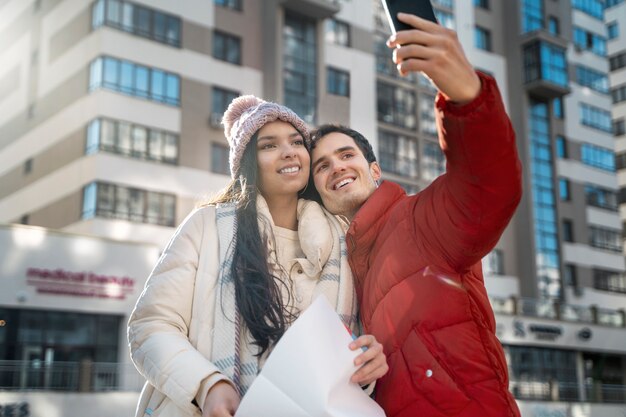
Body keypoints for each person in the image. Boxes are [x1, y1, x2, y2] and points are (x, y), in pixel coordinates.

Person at [309, 13, 522, 417]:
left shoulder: (421, 221)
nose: (335, 167)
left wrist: (467, 97)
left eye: (346, 155)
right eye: (321, 166)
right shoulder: (343, 270)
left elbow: (490, 188)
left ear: (375, 171)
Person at [128, 96, 388, 417]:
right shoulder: (206, 226)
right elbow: (150, 327)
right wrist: (208, 385)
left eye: (296, 141)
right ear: (248, 163)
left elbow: (351, 343)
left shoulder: (343, 240)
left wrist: (365, 362)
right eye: (269, 146)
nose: (289, 151)